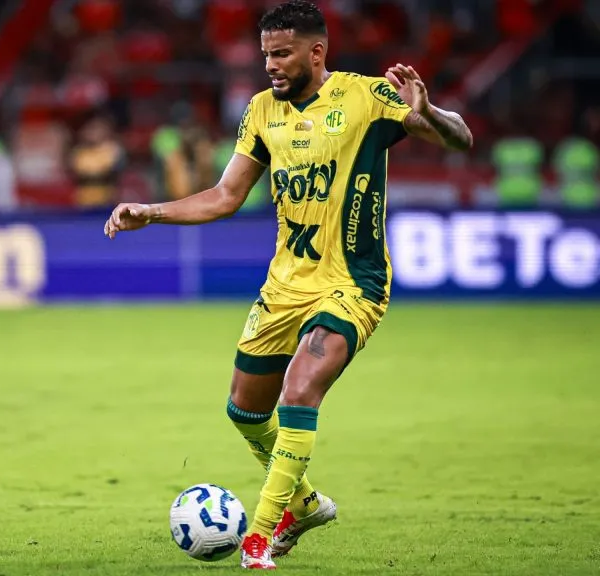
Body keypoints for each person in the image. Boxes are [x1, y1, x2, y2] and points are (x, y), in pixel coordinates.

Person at [103, 1, 472, 569]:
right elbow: (226, 197)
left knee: (300, 392)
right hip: (284, 284)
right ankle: (304, 505)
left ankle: (259, 537)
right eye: (265, 55)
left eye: (282, 54)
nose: (270, 65)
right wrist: (151, 212)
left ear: (316, 51)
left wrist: (430, 111)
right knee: (245, 412)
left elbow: (460, 139)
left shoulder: (365, 98)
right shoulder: (260, 111)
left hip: (353, 282)